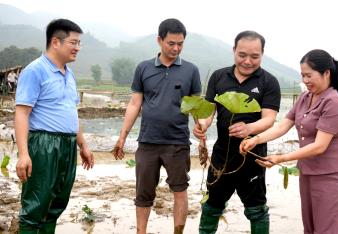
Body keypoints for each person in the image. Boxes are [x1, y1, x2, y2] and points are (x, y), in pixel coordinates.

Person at [240, 49, 338, 234]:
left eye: (309, 75)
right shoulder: (305, 98)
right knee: (310, 227)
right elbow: (283, 126)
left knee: (325, 230)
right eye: (302, 75)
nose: (305, 81)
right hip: (307, 170)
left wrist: (281, 158)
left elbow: (319, 146)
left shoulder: (334, 102)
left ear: (326, 73)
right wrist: (256, 139)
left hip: (330, 174)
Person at [112, 18, 201, 234]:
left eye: (180, 44)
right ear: (159, 40)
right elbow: (135, 103)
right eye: (171, 43)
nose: (176, 48)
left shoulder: (191, 70)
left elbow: (196, 106)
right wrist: (122, 136)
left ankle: (178, 231)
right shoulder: (143, 68)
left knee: (180, 190)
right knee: (143, 193)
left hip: (177, 143)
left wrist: (202, 130)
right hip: (148, 142)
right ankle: (141, 231)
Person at [193, 30, 281, 234]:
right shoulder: (218, 76)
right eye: (242, 55)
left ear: (262, 54)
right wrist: (203, 125)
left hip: (252, 154)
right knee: (212, 205)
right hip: (222, 154)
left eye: (254, 56)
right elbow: (209, 110)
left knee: (256, 208)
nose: (248, 61)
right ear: (234, 51)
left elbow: (269, 118)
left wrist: (249, 128)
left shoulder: (269, 81)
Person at [15, 18, 94, 233]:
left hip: (67, 146)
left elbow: (71, 113)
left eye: (79, 43)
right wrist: (24, 154)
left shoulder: (70, 75)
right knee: (35, 205)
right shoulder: (35, 70)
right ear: (55, 42)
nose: (78, 48)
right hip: (44, 144)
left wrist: (82, 145)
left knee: (57, 203)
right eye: (73, 42)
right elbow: (22, 113)